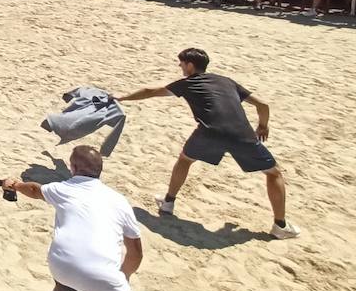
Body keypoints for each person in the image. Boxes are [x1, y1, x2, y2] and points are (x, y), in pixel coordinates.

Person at [118, 47, 301, 239]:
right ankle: (280, 226)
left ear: (190, 65)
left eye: (181, 63)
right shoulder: (227, 81)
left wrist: (122, 97)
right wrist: (263, 126)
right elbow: (263, 105)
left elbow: (150, 91)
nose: (180, 66)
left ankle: (168, 202)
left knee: (185, 160)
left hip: (209, 132)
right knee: (273, 173)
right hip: (242, 134)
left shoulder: (187, 83)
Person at [2, 145, 143, 291]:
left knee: (66, 285)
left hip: (62, 266)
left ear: (73, 168)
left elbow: (34, 190)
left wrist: (14, 185)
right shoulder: (120, 201)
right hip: (103, 278)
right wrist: (124, 275)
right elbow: (135, 252)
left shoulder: (62, 189)